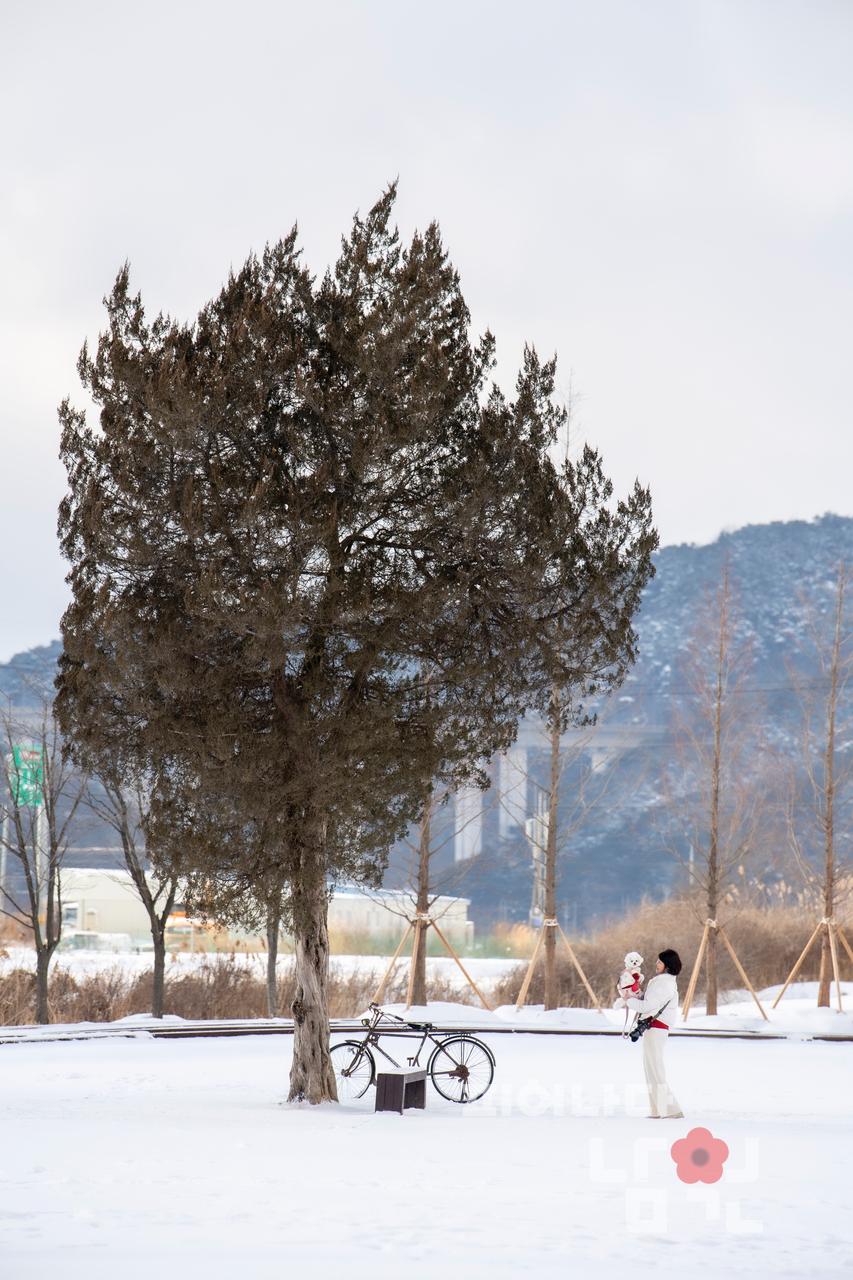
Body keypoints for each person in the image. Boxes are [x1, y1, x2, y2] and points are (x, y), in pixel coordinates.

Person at [623, 949, 684, 1119]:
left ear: (667, 965)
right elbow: (650, 1002)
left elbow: (647, 1007)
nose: (656, 964)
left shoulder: (664, 983)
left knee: (655, 1069)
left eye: (659, 962)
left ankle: (670, 1110)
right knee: (651, 1068)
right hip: (654, 1028)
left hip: (656, 1028)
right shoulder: (663, 982)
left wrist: (629, 1000)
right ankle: (658, 1109)